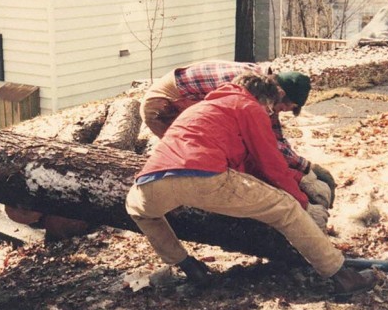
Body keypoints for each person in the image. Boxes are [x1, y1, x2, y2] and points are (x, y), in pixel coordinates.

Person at [126, 73, 380, 294]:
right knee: (286, 209)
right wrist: (302, 203)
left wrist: (296, 178)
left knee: (139, 210)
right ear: (266, 98)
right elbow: (271, 164)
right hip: (204, 174)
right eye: (272, 109)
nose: (271, 114)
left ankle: (189, 267)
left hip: (152, 179)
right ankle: (343, 276)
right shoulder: (248, 106)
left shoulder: (203, 108)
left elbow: (249, 165)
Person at [140, 61, 337, 209]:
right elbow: (266, 153)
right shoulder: (241, 82)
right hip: (164, 106)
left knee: (236, 153)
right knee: (207, 161)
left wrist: (307, 168)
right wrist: (300, 194)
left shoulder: (263, 90)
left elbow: (273, 139)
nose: (281, 112)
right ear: (281, 92)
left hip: (189, 103)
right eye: (285, 107)